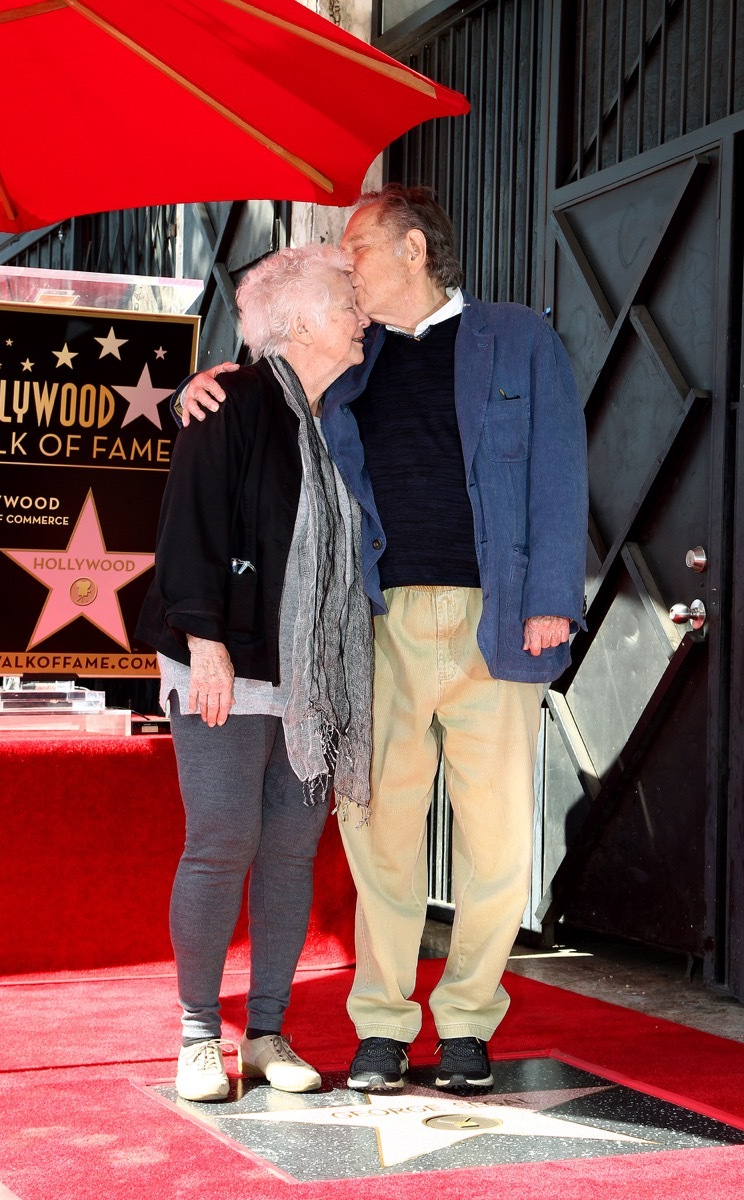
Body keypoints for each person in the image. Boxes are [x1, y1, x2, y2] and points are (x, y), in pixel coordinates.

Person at [178, 184, 588, 1095]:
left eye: (356, 247)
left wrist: (554, 595)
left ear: (412, 251)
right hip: (377, 624)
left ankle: (471, 1021)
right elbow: (273, 393)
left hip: (500, 616)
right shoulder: (350, 360)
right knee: (378, 831)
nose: (342, 262)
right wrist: (200, 382)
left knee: (496, 838)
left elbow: (562, 466)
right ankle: (383, 1024)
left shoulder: (518, 336)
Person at [136, 244, 374, 1103]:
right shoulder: (228, 398)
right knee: (222, 840)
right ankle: (201, 1034)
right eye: (347, 297)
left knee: (287, 854)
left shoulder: (330, 419)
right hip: (224, 663)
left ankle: (268, 1031)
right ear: (302, 319)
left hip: (309, 678)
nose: (363, 311)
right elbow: (190, 523)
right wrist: (204, 643)